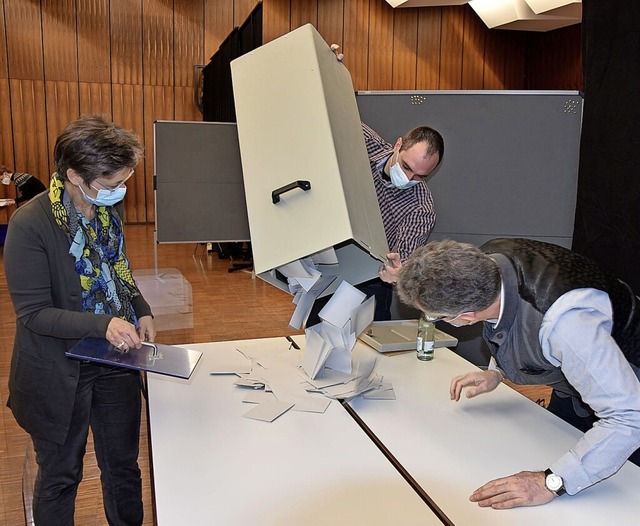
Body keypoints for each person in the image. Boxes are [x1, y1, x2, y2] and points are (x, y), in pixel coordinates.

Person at [395, 237, 640, 509]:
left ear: (465, 316)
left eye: (436, 317)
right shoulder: (489, 262)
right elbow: (509, 319)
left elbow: (629, 417)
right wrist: (499, 370)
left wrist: (551, 481)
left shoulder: (566, 325)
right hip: (578, 385)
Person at [4, 115, 156, 525]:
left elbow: (116, 269)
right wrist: (102, 324)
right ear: (74, 174)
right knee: (61, 474)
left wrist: (139, 307)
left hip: (113, 361)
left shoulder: (106, 212)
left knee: (123, 468)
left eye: (125, 181)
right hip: (57, 368)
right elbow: (34, 314)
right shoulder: (30, 223)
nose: (120, 191)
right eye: (111, 184)